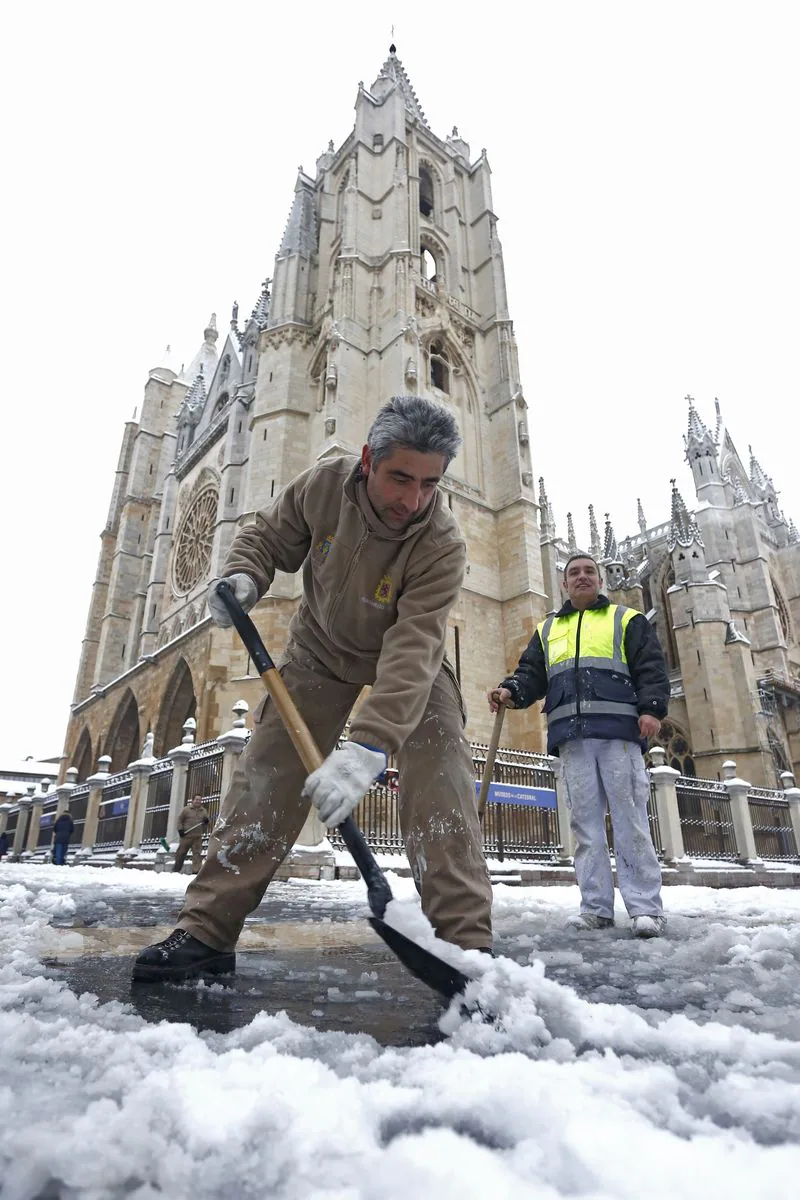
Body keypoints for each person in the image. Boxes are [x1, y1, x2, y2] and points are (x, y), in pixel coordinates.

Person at [134, 395, 492, 981]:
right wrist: (245, 575)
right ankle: (206, 930)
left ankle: (468, 950)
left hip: (410, 670)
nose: (413, 500)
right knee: (263, 780)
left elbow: (414, 647)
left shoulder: (442, 544)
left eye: (430, 484)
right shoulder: (325, 484)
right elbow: (269, 535)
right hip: (319, 652)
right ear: (367, 458)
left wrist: (370, 745)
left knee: (443, 784)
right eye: (401, 477)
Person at [487, 553, 669, 938]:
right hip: (571, 738)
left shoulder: (626, 619)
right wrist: (512, 690)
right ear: (564, 585)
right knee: (585, 828)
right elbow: (531, 674)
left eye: (589, 572)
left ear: (600, 581)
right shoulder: (548, 629)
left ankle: (645, 909)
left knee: (630, 822)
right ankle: (595, 908)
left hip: (618, 735)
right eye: (574, 573)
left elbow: (650, 666)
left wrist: (652, 709)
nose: (582, 577)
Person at [172, 795, 210, 874]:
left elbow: (206, 822)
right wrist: (180, 830)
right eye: (196, 799)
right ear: (193, 800)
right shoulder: (186, 810)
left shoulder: (203, 811)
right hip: (186, 836)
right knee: (181, 854)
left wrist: (206, 821)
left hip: (197, 837)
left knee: (197, 854)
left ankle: (196, 871)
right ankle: (176, 870)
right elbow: (180, 820)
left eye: (200, 800)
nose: (198, 801)